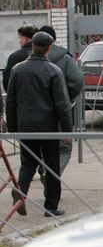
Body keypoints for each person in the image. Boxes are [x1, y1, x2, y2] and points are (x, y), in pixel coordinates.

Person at [7, 31, 72, 217]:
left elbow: (10, 102)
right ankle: (51, 207)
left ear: (33, 46)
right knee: (51, 165)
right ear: (49, 49)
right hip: (48, 127)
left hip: (25, 125)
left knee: (28, 163)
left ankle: (20, 193)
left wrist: (12, 130)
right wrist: (68, 131)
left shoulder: (17, 70)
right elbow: (62, 104)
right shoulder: (54, 71)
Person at [39, 25, 83, 175]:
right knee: (64, 147)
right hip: (59, 110)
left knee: (41, 144)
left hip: (35, 110)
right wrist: (66, 95)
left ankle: (44, 168)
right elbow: (77, 81)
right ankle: (50, 174)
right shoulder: (64, 58)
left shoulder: (28, 59)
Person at [2, 23, 39, 93]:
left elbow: (7, 82)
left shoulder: (15, 57)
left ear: (25, 38)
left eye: (20, 37)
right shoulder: (45, 54)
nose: (19, 41)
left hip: (21, 100)